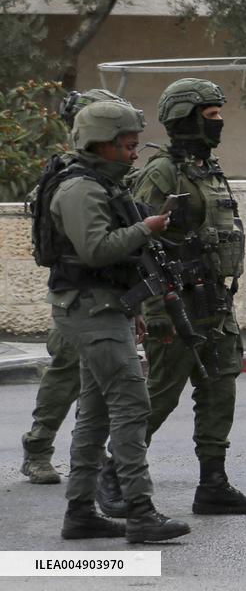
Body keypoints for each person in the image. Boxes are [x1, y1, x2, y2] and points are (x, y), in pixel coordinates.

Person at [100, 78, 246, 517]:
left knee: (220, 389)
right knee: (159, 394)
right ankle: (113, 474)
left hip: (213, 301)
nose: (219, 124)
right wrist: (145, 308)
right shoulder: (162, 171)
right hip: (173, 303)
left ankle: (213, 483)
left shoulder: (206, 169)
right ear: (186, 119)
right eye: (210, 116)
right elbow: (136, 239)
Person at [48, 100, 189, 542]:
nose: (133, 154)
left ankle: (80, 512)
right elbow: (95, 250)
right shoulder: (81, 190)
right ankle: (141, 512)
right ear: (100, 144)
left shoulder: (99, 185)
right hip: (92, 311)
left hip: (104, 308)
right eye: (127, 146)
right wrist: (146, 228)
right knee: (131, 406)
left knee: (94, 415)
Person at [20, 89, 132, 485]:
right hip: (76, 294)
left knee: (100, 380)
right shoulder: (69, 177)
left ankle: (89, 454)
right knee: (66, 370)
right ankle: (38, 447)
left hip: (108, 295)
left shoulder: (111, 173)